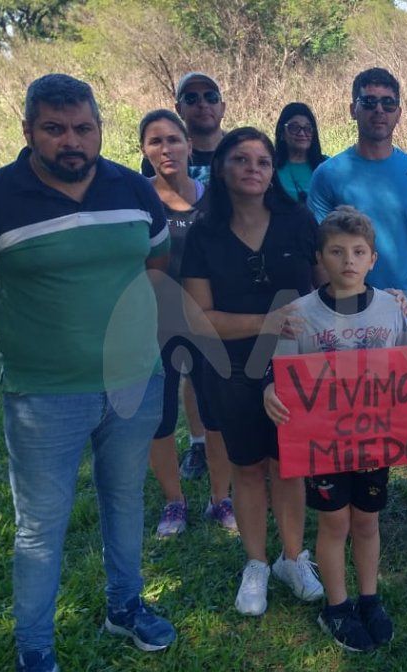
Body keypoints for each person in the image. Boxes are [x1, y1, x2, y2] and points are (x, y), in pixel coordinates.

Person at [0, 73, 176, 672]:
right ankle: (35, 645)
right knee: (41, 526)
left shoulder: (134, 190)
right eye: (54, 128)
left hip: (134, 381)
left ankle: (125, 607)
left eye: (83, 128)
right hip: (43, 394)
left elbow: (155, 264)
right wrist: (38, 324)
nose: (71, 141)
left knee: (124, 500)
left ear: (99, 129)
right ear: (28, 131)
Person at [263, 206, 407, 651]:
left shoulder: (390, 308)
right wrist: (269, 390)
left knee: (366, 520)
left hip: (374, 441)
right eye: (337, 251)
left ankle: (370, 599)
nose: (348, 260)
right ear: (320, 257)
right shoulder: (299, 314)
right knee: (335, 522)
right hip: (324, 444)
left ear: (373, 259)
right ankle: (337, 607)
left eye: (359, 252)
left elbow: (406, 363)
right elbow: (279, 373)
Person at [309, 67, 407, 532]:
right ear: (352, 108)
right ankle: (351, 500)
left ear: (399, 112)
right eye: (369, 101)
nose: (378, 110)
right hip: (348, 314)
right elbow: (320, 251)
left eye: (387, 102)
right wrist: (324, 312)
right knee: (352, 406)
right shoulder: (329, 174)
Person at [181, 127, 325, 616]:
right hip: (231, 367)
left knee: (288, 465)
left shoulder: (298, 220)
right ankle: (257, 563)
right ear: (221, 168)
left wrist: (380, 300)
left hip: (293, 366)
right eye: (241, 159)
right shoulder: (203, 233)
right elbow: (198, 318)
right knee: (246, 466)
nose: (253, 169)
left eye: (263, 161)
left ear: (272, 172)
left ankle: (292, 558)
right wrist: (266, 321)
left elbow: (328, 288)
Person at [138, 109, 235, 537]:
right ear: (144, 150)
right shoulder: (137, 198)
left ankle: (220, 498)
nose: (166, 149)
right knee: (159, 419)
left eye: (173, 139)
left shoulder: (215, 197)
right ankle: (174, 502)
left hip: (207, 326)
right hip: (154, 327)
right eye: (156, 141)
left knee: (216, 416)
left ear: (189, 145)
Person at [141, 72, 226, 183]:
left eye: (211, 97)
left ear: (223, 108)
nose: (203, 104)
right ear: (179, 109)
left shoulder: (239, 149)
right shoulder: (162, 156)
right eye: (191, 98)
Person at [274, 102, 328, 203]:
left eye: (307, 129)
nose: (302, 133)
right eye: (294, 128)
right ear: (282, 133)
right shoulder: (270, 166)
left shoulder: (328, 166)